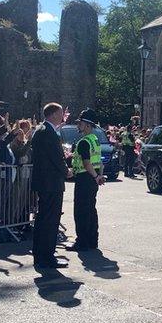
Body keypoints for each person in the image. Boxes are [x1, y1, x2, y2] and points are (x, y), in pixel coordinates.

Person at [30, 102, 70, 269]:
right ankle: (46, 257)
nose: (62, 116)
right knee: (50, 220)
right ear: (53, 114)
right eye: (60, 113)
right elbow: (55, 157)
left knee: (43, 219)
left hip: (45, 182)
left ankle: (41, 255)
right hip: (51, 182)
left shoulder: (43, 130)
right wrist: (66, 171)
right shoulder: (47, 133)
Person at [68, 109, 105, 252]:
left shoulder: (84, 142)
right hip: (92, 178)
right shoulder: (95, 140)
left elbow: (86, 163)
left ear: (88, 125)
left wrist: (96, 177)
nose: (78, 125)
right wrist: (99, 176)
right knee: (90, 210)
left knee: (81, 211)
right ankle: (92, 241)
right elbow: (100, 162)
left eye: (80, 123)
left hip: (85, 178)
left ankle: (81, 242)